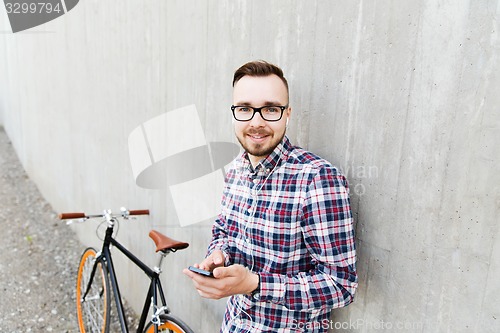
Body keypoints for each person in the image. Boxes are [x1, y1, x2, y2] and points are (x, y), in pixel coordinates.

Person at [183, 60, 357, 332]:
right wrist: (219, 254)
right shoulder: (237, 168)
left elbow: (340, 285)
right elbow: (224, 231)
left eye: (270, 109)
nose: (256, 122)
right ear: (233, 113)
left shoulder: (317, 178)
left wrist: (255, 284)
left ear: (287, 114)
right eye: (245, 109)